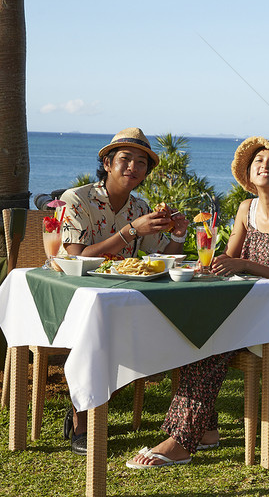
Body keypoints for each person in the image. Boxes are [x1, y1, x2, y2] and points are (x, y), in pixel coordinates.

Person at [126, 135, 269, 469]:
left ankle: (181, 441)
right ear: (250, 173)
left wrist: (244, 265)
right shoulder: (247, 208)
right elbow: (230, 257)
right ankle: (205, 430)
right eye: (258, 160)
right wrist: (211, 262)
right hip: (250, 309)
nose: (265, 165)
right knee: (195, 328)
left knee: (213, 340)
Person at [59, 127, 189, 455]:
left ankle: (85, 405)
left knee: (146, 332)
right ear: (107, 162)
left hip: (117, 296)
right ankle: (82, 419)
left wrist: (178, 232)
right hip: (73, 294)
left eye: (141, 162)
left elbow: (163, 256)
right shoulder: (76, 199)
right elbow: (77, 258)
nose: (133, 166)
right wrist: (131, 231)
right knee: (107, 335)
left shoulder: (140, 206)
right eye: (125, 159)